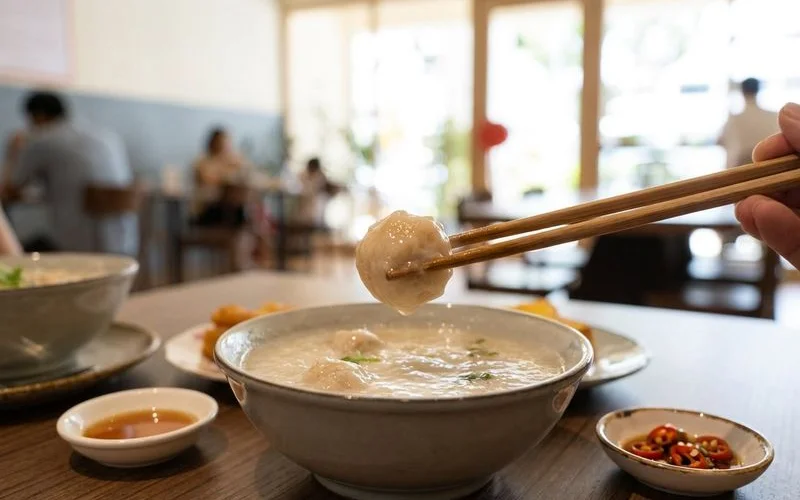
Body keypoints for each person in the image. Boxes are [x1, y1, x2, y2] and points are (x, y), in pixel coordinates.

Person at [5, 91, 137, 256]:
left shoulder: (42, 140)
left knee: (19, 245)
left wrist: (13, 152)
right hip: (123, 243)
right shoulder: (107, 136)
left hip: (74, 244)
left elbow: (11, 189)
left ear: (38, 116)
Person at [736, 102, 800, 269]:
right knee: (768, 215)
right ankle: (770, 269)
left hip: (748, 168)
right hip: (767, 167)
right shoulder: (769, 115)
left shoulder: (735, 118)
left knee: (763, 215)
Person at [719, 78, 779, 169]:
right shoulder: (773, 116)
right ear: (758, 90)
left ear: (742, 91)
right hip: (769, 165)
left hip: (741, 168)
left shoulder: (734, 119)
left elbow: (720, 141)